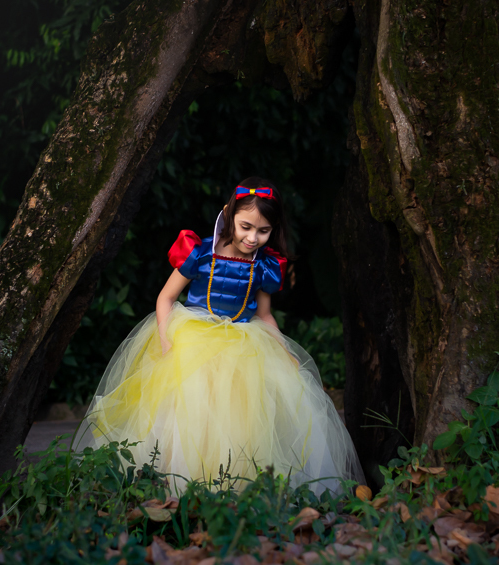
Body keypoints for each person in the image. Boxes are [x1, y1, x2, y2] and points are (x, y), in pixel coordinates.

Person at [74, 177, 364, 493]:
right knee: (187, 415)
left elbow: (264, 315)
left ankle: (231, 488)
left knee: (239, 422)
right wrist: (164, 337)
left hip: (242, 344)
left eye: (263, 231)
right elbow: (165, 298)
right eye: (245, 227)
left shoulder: (265, 266)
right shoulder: (199, 253)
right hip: (193, 338)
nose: (253, 238)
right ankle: (178, 486)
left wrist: (285, 352)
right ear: (228, 215)